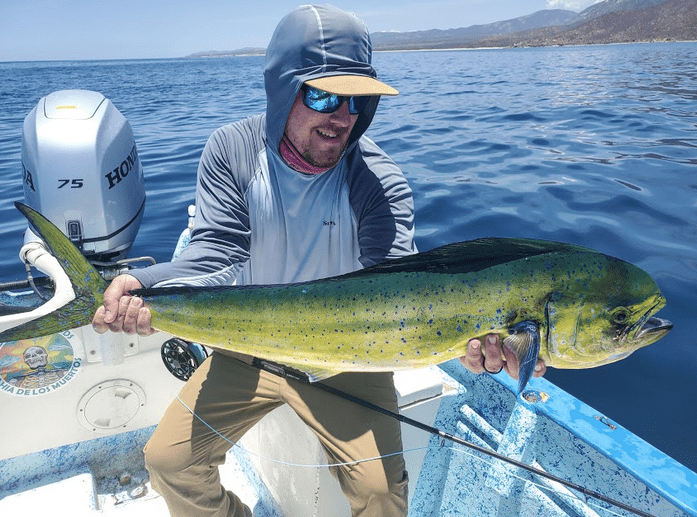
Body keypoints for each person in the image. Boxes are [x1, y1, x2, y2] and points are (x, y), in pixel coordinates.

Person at [93, 5, 545, 516]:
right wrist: (142, 283)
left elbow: (398, 288)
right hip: (247, 346)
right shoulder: (232, 150)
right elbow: (218, 251)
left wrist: (471, 340)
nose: (342, 117)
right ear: (282, 89)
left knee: (381, 495)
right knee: (169, 463)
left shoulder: (380, 182)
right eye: (324, 95)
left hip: (350, 355)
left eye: (357, 100)